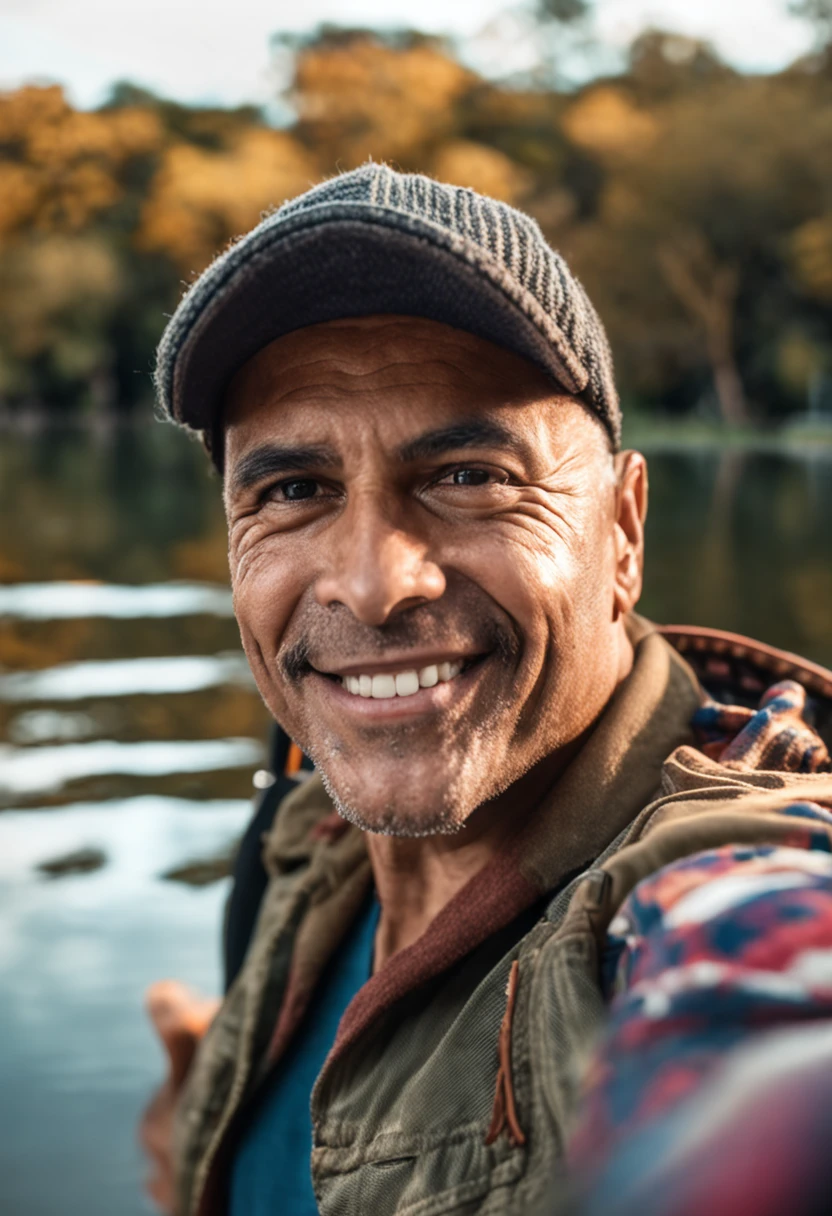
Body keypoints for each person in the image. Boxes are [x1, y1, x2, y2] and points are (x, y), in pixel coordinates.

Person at [143, 164, 832, 1216]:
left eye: (469, 475)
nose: (373, 586)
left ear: (625, 531)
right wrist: (215, 1140)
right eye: (292, 491)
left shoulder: (730, 872)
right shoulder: (297, 835)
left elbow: (766, 980)